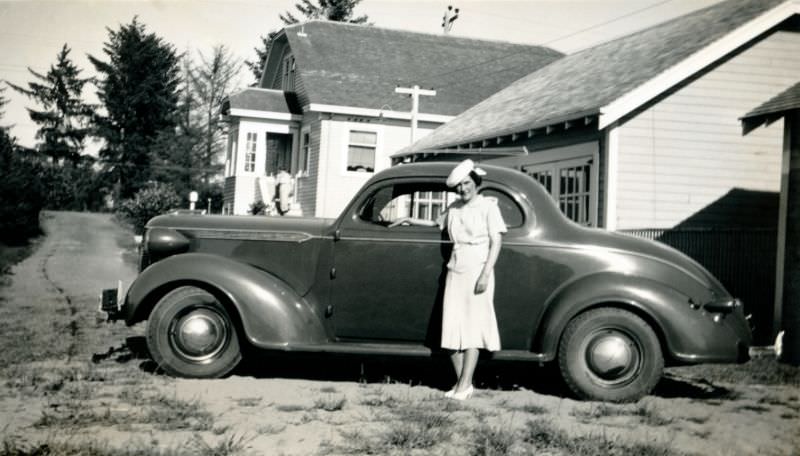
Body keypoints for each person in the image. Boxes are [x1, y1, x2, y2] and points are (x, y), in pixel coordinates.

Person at [389, 159, 506, 400]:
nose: (463, 189)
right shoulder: (453, 208)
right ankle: (463, 383)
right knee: (452, 326)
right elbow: (435, 222)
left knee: (473, 328)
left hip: (478, 268)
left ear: (475, 183)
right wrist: (408, 219)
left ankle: (463, 385)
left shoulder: (488, 207)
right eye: (459, 186)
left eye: (467, 183)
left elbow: (497, 241)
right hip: (455, 266)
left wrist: (485, 274)